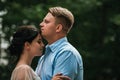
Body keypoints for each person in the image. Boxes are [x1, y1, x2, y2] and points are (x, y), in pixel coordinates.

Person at [35, 6, 83, 80]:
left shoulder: (66, 53)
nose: (41, 24)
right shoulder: (43, 57)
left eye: (46, 22)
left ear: (58, 28)